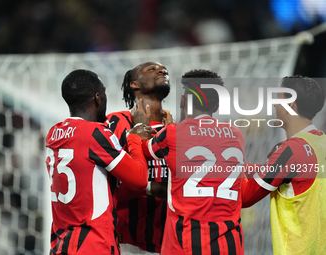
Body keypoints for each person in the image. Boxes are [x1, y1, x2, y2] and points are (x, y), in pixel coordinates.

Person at [45, 69, 153, 255]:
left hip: (60, 244)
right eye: (103, 93)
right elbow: (139, 181)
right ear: (97, 98)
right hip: (93, 245)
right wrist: (134, 137)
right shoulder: (95, 134)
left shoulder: (53, 134)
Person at [142, 69, 246, 255]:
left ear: (183, 102)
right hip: (230, 244)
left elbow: (145, 150)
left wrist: (136, 135)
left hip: (186, 243)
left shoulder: (173, 133)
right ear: (216, 106)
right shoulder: (236, 134)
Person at [241, 75, 326, 255]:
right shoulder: (321, 143)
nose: (273, 104)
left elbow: (246, 196)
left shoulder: (289, 151)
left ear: (291, 106)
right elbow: (291, 174)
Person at [106, 61, 170, 254]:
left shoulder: (176, 129)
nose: (161, 70)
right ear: (134, 84)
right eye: (152, 69)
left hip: (169, 243)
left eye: (164, 70)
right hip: (125, 242)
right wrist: (150, 187)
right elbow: (103, 182)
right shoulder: (115, 121)